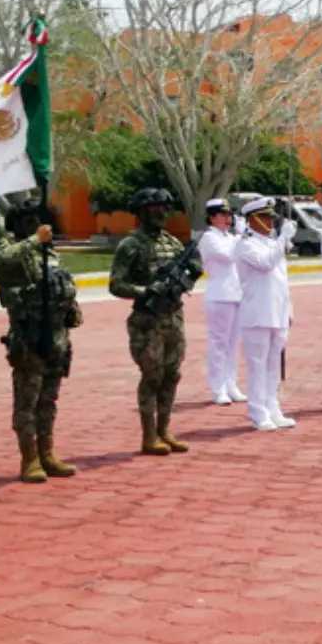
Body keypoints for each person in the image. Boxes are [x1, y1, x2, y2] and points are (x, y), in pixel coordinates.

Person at [0, 195, 83, 483]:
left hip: (56, 336)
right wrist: (34, 240)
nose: (36, 225)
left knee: (48, 400)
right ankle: (29, 458)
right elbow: (4, 260)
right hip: (30, 337)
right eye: (28, 221)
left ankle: (47, 454)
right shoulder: (14, 252)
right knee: (27, 401)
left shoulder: (50, 253)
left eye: (39, 219)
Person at [109, 188, 203, 456]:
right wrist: (146, 291)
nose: (161, 212)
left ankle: (164, 430)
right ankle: (149, 435)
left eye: (164, 207)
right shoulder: (130, 245)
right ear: (141, 212)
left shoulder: (172, 243)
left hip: (173, 317)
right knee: (152, 376)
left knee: (172, 375)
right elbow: (116, 284)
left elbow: (190, 270)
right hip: (147, 321)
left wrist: (191, 274)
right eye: (154, 208)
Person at [235, 197, 297, 430]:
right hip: (258, 314)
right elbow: (266, 264)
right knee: (257, 366)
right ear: (251, 220)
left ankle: (273, 408)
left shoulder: (272, 243)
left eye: (271, 217)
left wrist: (288, 309)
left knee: (273, 366)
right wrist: (283, 239)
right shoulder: (246, 244)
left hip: (277, 313)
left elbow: (282, 281)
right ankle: (258, 412)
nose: (269, 221)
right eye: (264, 217)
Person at [198, 198, 246, 405]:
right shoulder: (209, 238)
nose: (228, 219)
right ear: (212, 217)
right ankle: (218, 388)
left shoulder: (230, 237)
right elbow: (228, 256)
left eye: (230, 215)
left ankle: (231, 384)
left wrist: (240, 238)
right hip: (219, 296)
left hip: (236, 295)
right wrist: (242, 237)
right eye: (223, 215)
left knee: (233, 344)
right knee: (219, 343)